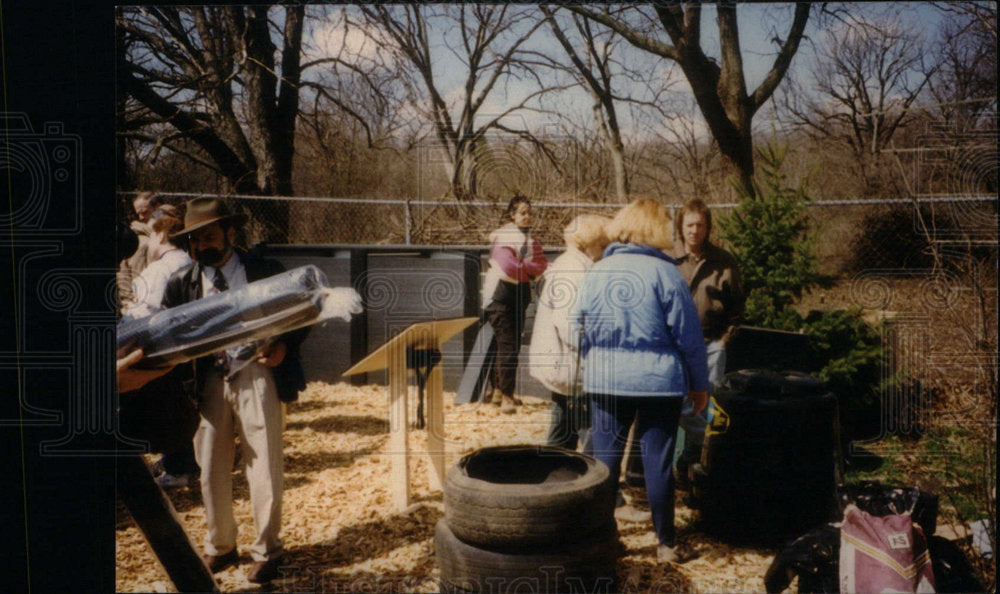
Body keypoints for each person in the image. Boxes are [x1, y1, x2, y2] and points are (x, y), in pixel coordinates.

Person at [161, 197, 308, 584]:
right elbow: (168, 330)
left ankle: (268, 550)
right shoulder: (182, 283)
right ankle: (221, 547)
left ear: (230, 232)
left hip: (257, 372)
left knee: (263, 462)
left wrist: (284, 346)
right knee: (209, 466)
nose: (200, 247)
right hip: (206, 380)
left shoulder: (264, 270)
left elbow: (305, 310)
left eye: (208, 237)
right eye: (192, 241)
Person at [572, 198, 709, 563]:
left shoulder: (597, 271)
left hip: (605, 381)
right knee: (657, 462)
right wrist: (699, 385)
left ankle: (603, 540)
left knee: (603, 463)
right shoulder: (668, 275)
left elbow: (578, 327)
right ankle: (666, 544)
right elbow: (689, 338)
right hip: (657, 382)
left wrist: (593, 364)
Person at [120, 204, 200, 489]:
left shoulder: (161, 268)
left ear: (161, 236)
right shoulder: (188, 263)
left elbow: (145, 313)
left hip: (155, 347)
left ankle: (180, 467)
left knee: (166, 408)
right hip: (181, 345)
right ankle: (175, 462)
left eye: (150, 239)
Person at [671, 198, 744, 488]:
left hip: (710, 345)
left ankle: (690, 466)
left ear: (708, 227)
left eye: (700, 224)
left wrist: (724, 341)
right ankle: (660, 470)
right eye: (689, 224)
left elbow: (737, 306)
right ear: (681, 226)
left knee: (703, 410)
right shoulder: (668, 259)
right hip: (673, 347)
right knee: (671, 406)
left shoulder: (724, 262)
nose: (694, 230)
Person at [528, 214, 610, 451]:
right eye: (602, 245)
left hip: (568, 365)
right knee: (575, 428)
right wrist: (596, 348)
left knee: (565, 424)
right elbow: (571, 326)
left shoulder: (572, 265)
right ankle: (575, 477)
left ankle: (559, 475)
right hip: (573, 364)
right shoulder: (574, 270)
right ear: (586, 244)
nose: (606, 250)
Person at [481, 195, 547, 414]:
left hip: (519, 295)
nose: (527, 217)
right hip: (500, 296)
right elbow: (509, 266)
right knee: (507, 346)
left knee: (510, 347)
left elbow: (541, 265)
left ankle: (498, 391)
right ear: (512, 214)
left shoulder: (531, 240)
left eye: (529, 212)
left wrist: (524, 267)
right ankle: (507, 395)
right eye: (522, 212)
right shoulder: (504, 236)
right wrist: (528, 268)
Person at [117, 192, 163, 310]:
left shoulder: (163, 236)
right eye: (139, 213)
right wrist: (128, 302)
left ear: (157, 209)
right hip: (141, 303)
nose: (141, 217)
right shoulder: (137, 241)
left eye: (145, 212)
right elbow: (125, 274)